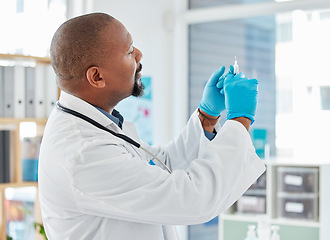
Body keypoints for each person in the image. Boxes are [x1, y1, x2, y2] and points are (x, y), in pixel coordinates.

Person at [38, 12, 265, 240]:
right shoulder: (83, 153)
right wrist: (240, 120)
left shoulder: (97, 124)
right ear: (96, 77)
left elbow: (161, 166)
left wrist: (207, 116)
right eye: (129, 51)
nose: (139, 55)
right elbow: (193, 201)